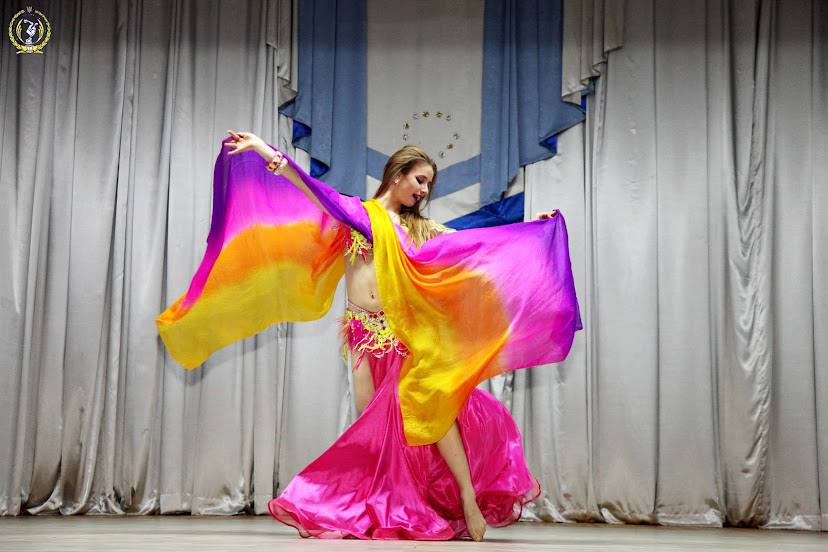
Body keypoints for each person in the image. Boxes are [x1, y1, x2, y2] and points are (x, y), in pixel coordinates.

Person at [157, 129, 580, 541]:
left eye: (428, 185)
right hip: (362, 335)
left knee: (430, 409)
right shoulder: (359, 214)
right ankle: (383, 502)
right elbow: (312, 191)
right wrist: (264, 150)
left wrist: (533, 229)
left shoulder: (420, 227)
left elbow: (475, 243)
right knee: (372, 428)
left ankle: (469, 497)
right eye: (420, 180)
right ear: (397, 175)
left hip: (404, 333)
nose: (424, 190)